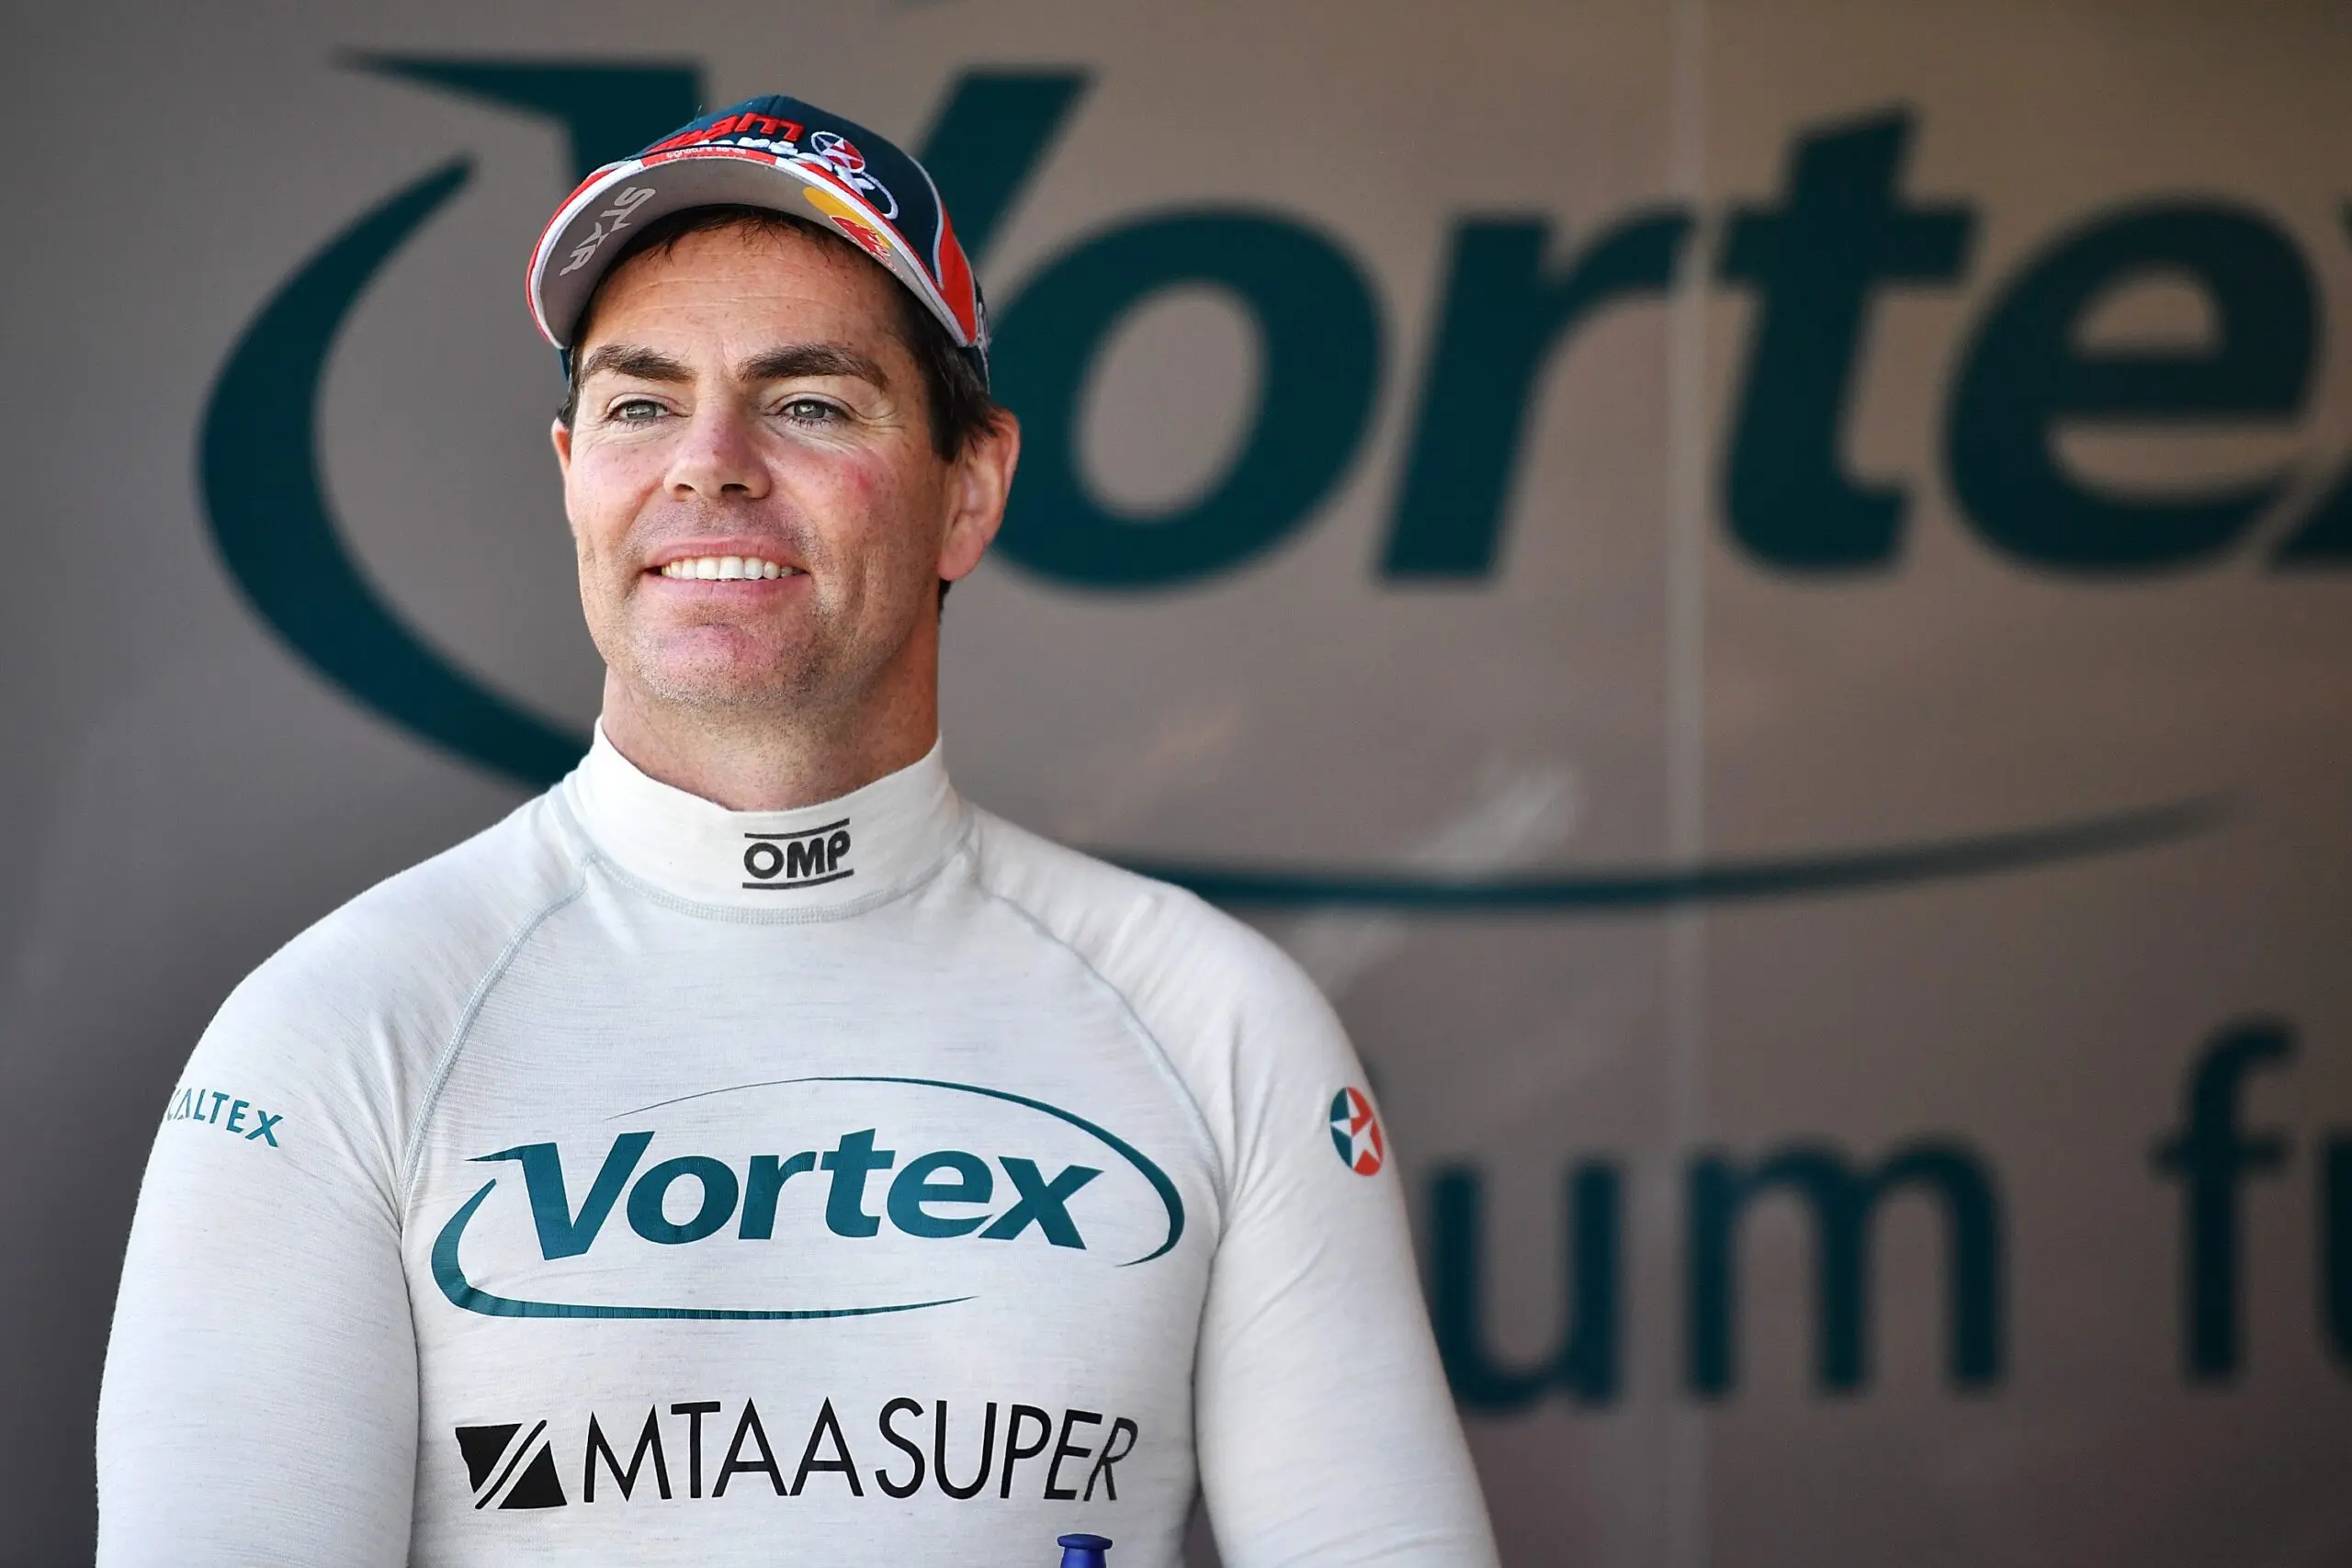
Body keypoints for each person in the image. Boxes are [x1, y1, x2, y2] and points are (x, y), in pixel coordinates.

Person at [96, 93, 1498, 1568]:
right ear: (572, 474)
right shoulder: (336, 1030)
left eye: (809, 402)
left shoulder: (1217, 1021)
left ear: (970, 490)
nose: (708, 461)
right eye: (641, 404)